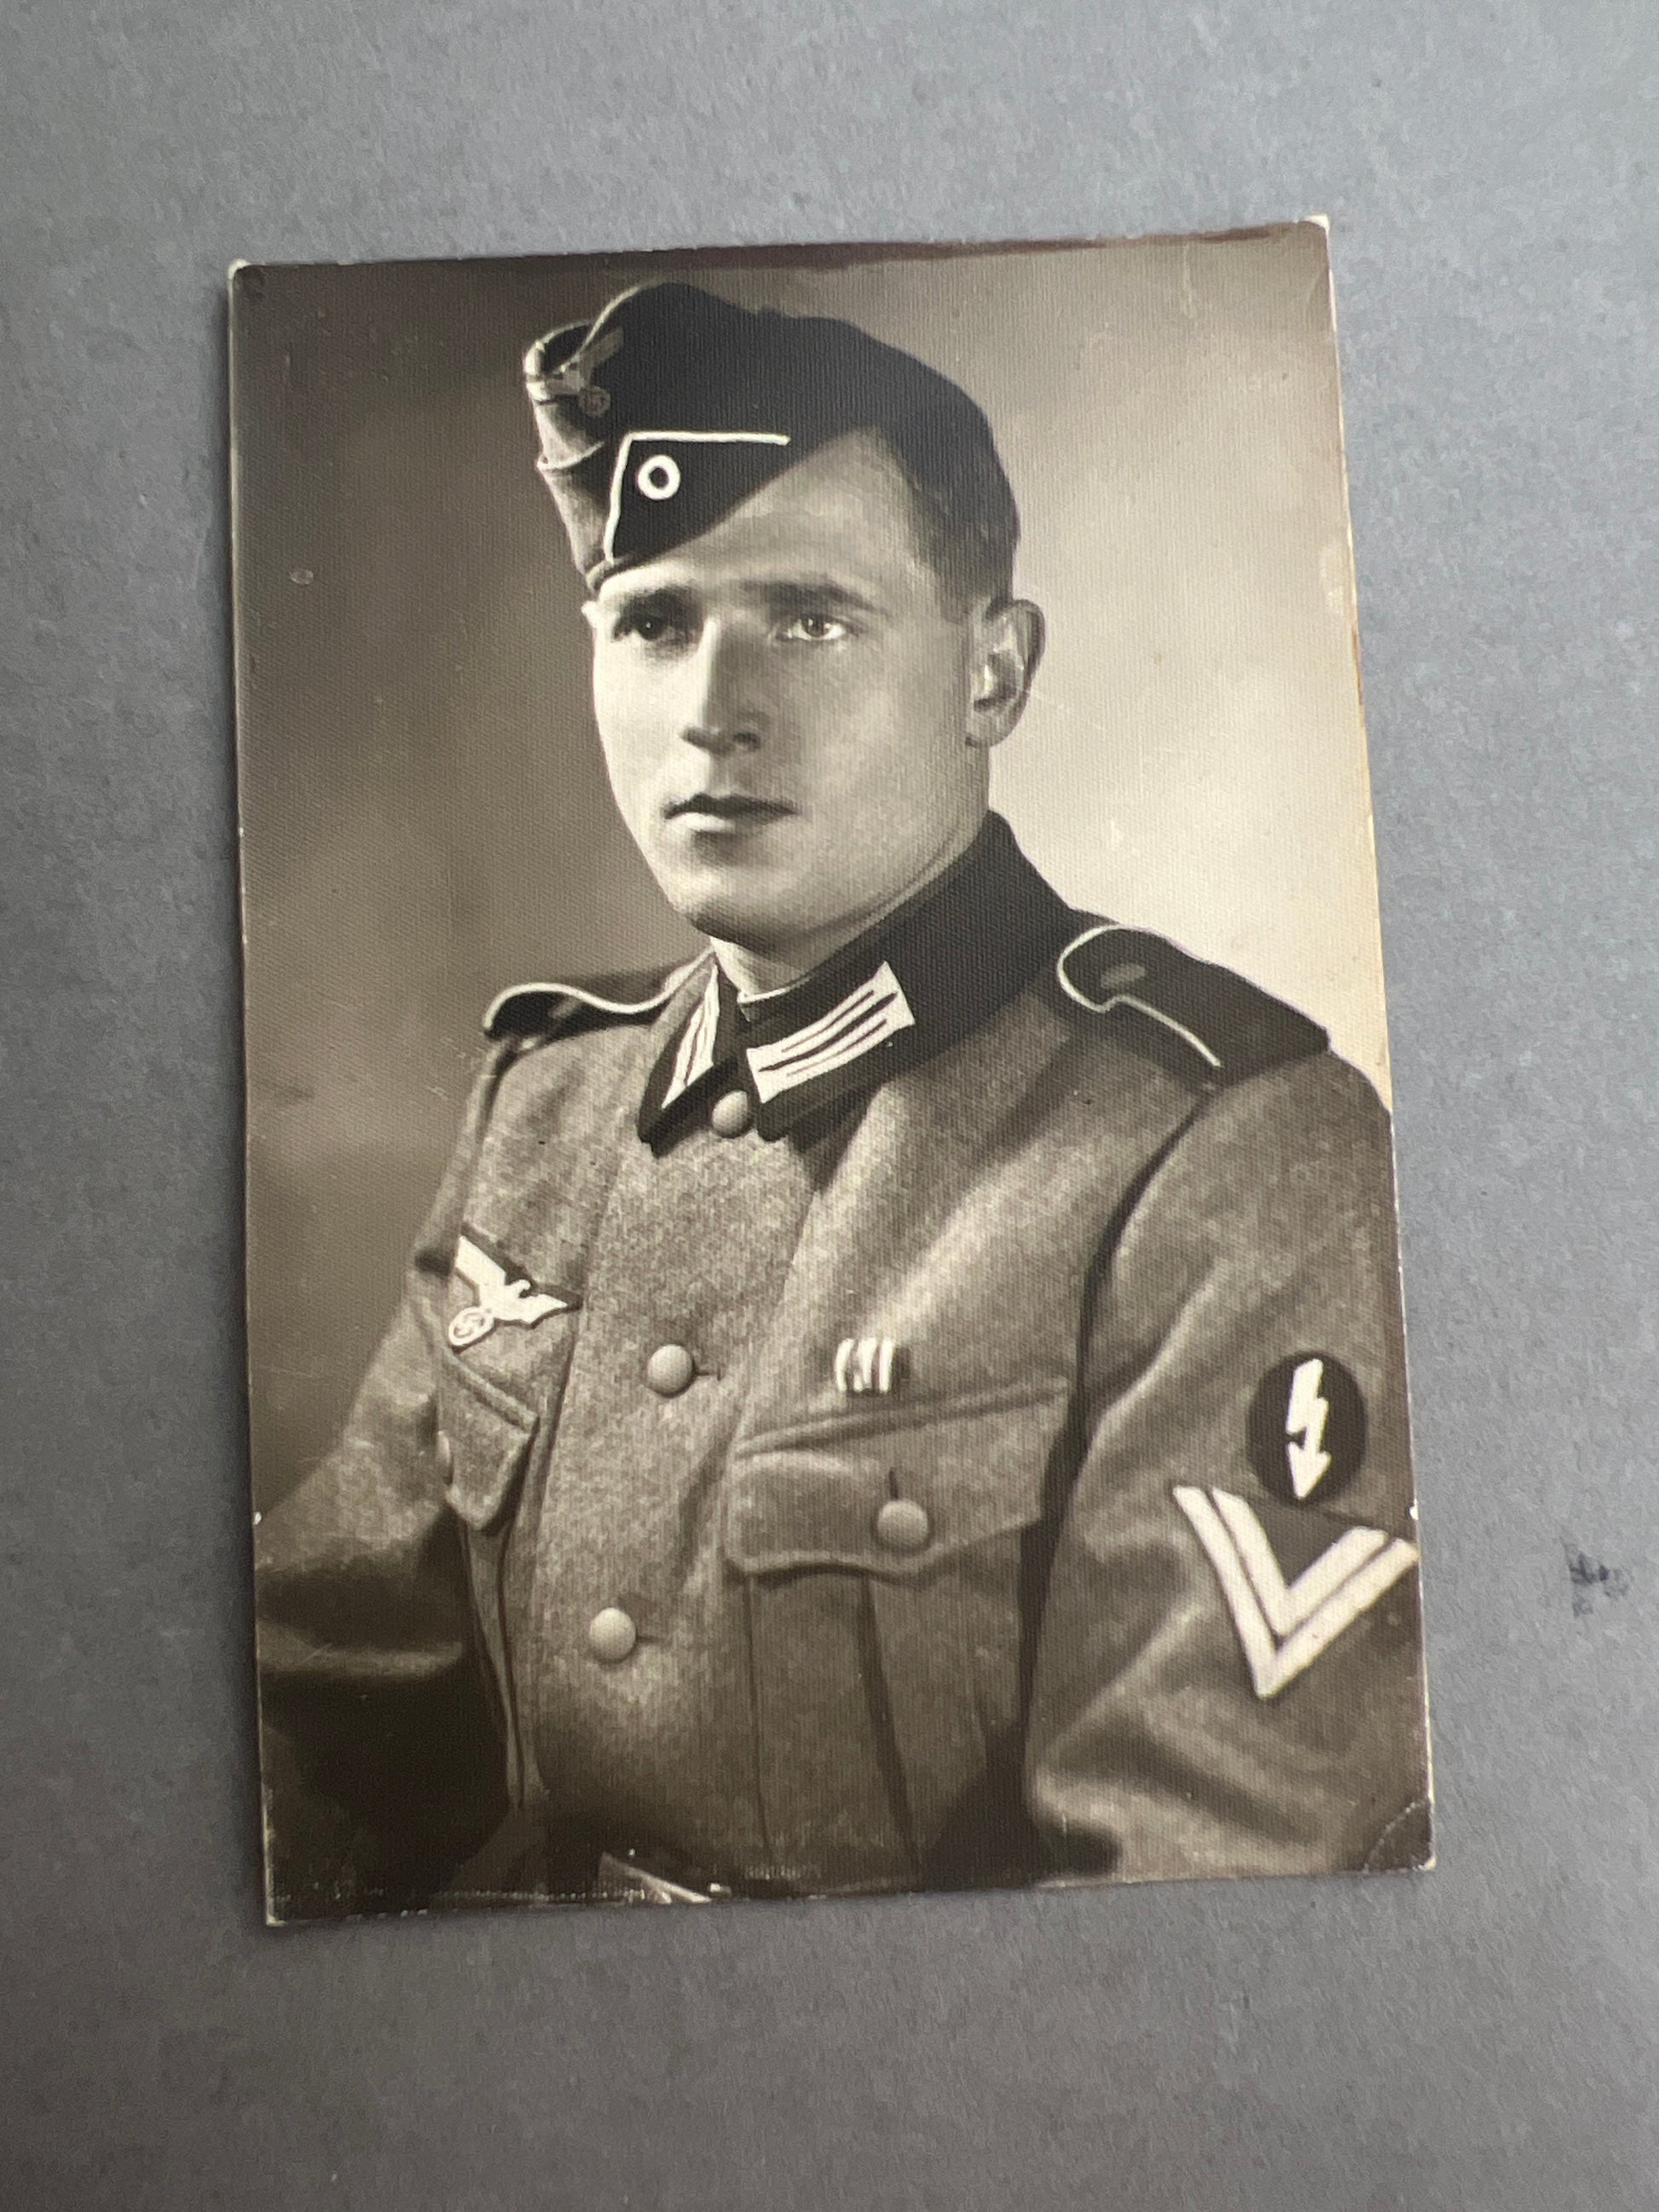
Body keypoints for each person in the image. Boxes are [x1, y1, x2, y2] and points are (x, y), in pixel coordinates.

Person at [255, 280, 1429, 1917]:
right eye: (653, 622)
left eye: (808, 619)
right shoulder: (547, 1106)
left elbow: (1198, 1920)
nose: (710, 711)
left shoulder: (1225, 1152)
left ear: (993, 674)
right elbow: (307, 1725)